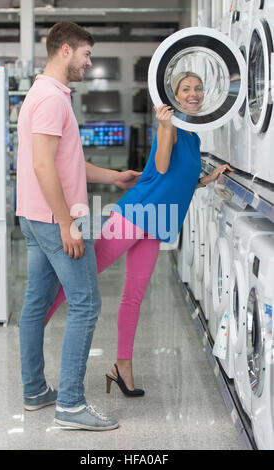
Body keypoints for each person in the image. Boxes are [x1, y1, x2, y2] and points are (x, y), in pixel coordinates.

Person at [45, 71, 233, 395]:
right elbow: (160, 168)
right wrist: (164, 127)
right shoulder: (169, 127)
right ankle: (37, 328)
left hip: (159, 221)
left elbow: (180, 180)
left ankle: (123, 367)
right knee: (83, 275)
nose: (193, 93)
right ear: (173, 95)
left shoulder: (193, 135)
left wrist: (208, 178)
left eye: (198, 88)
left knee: (133, 297)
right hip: (137, 213)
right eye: (186, 89)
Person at [16, 21, 141, 431]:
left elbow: (66, 163)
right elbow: (41, 165)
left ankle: (35, 391)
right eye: (86, 54)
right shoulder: (52, 98)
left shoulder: (42, 94)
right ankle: (70, 404)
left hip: (34, 217)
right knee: (86, 304)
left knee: (36, 305)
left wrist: (113, 177)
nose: (89, 63)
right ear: (65, 50)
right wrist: (68, 222)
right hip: (56, 220)